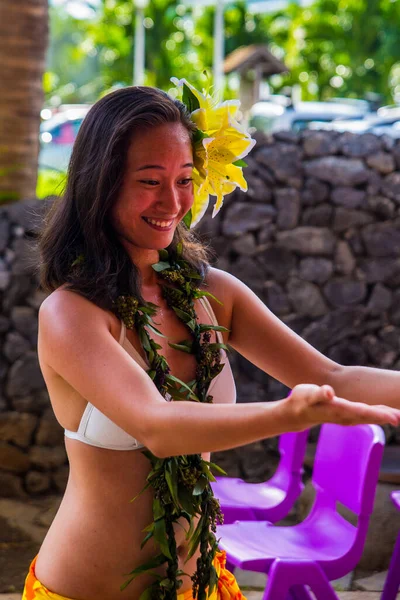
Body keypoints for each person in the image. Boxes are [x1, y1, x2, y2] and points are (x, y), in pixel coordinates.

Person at [22, 83, 400, 600]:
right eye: (150, 181)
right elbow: (158, 424)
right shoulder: (72, 315)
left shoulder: (212, 293)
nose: (174, 202)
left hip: (202, 585)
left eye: (184, 179)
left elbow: (331, 377)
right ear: (101, 185)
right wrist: (292, 415)